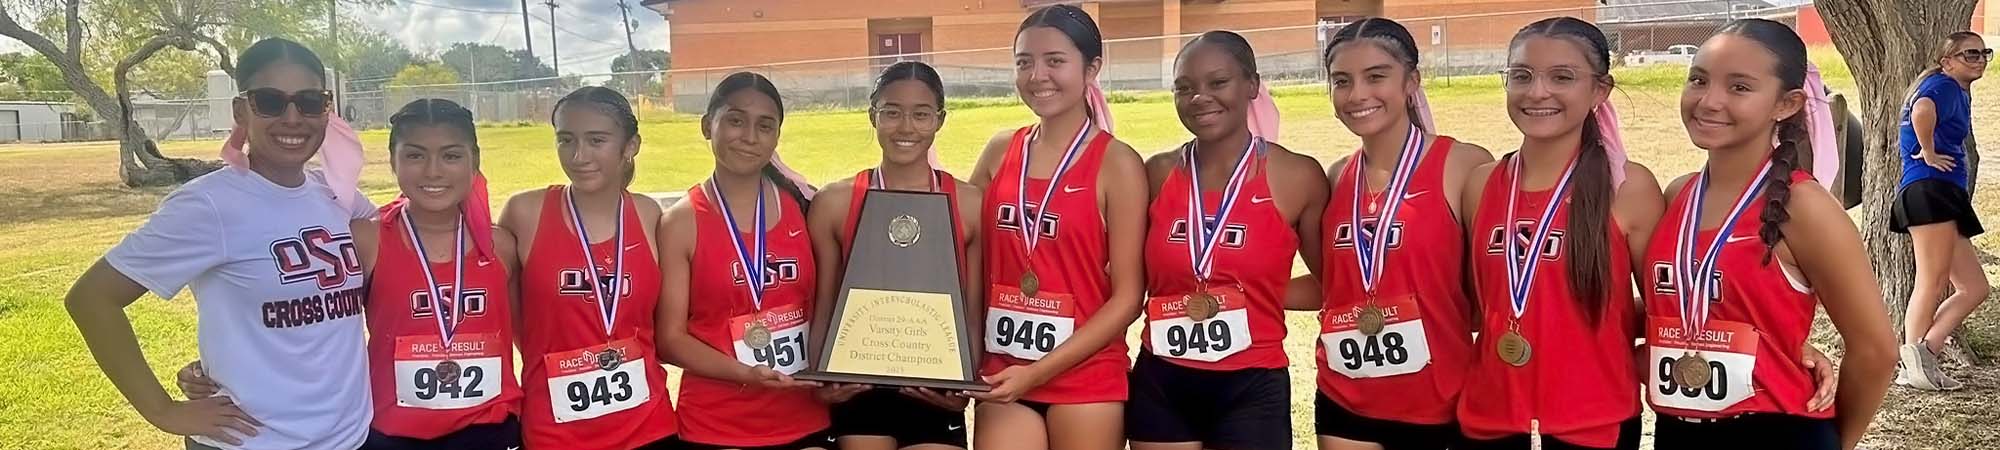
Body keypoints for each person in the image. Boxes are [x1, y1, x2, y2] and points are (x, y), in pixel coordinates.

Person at [65, 37, 376, 450]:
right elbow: (91, 298)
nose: (292, 117)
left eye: (309, 101)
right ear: (240, 111)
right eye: (270, 101)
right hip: (253, 442)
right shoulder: (208, 205)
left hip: (348, 437)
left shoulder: (339, 195)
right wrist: (164, 411)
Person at [179, 99, 527, 449]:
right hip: (391, 432)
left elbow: (537, 331)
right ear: (393, 161)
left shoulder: (502, 246)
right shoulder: (365, 239)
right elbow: (313, 322)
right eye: (415, 155)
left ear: (474, 161)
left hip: (489, 429)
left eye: (451, 156)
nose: (433, 171)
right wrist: (215, 367)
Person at [1646, 19, 1897, 450]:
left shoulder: (1805, 207)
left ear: (1786, 104)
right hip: (1677, 429)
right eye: (1698, 80)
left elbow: (1875, 351)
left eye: (1739, 87)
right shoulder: (1677, 196)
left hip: (1778, 431)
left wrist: (1839, 441)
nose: (1709, 101)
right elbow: (1674, 309)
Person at [1453, 18, 1663, 450]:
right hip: (1489, 415)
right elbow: (1483, 299)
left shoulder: (1628, 187)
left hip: (1593, 419)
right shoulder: (1481, 183)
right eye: (1521, 76)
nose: (1537, 92)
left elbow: (1666, 307)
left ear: (1599, 91)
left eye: (1562, 77)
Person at [1122, 30, 1324, 450]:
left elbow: (1336, 284)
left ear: (1251, 85)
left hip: (1251, 385)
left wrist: (1253, 292)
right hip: (1162, 381)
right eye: (1185, 88)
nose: (1199, 98)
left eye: (1217, 83)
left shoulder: (1297, 177)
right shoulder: (1155, 173)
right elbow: (1125, 274)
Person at [964, 5, 1148, 450]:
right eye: (1024, 61)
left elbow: (1127, 298)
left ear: (1093, 68)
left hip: (1085, 375)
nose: (1037, 75)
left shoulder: (1117, 164)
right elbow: (958, 246)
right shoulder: (1000, 150)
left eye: (1055, 61)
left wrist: (1037, 373)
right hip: (1005, 370)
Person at [1304, 17, 1493, 450]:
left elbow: (1490, 286)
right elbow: (1334, 286)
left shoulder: (1463, 165)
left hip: (1437, 399)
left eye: (1376, 77)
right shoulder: (1336, 177)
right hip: (1344, 396)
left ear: (1412, 81)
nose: (1357, 95)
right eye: (1341, 81)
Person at [806, 61, 984, 450]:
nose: (906, 127)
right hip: (858, 389)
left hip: (933, 389)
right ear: (873, 115)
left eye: (921, 114)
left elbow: (971, 311)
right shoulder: (834, 203)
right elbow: (824, 306)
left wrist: (964, 384)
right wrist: (822, 380)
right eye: (892, 112)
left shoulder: (969, 204)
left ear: (940, 120)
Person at [657, 71, 835, 450]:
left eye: (764, 126)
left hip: (804, 417)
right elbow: (670, 339)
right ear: (708, 125)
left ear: (776, 136)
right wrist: (746, 373)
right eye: (735, 120)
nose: (750, 136)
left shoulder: (805, 208)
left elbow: (831, 306)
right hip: (715, 423)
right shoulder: (681, 222)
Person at [498, 86, 678, 450]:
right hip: (555, 431)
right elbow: (513, 319)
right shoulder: (524, 213)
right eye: (566, 140)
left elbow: (662, 323)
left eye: (597, 140)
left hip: (648, 426)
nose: (579, 156)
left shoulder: (650, 216)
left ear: (631, 146)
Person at [1892, 31, 1990, 392]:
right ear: (1947, 61)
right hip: (1929, 189)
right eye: (1969, 54)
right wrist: (1929, 151)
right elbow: (1922, 111)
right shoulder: (1944, 86)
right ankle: (1914, 363)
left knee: (1974, 287)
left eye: (1983, 53)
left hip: (1941, 194)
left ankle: (1921, 356)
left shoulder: (1951, 87)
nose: (1978, 59)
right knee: (1931, 281)